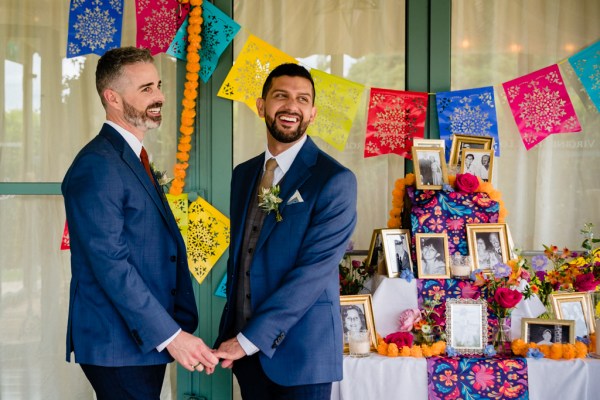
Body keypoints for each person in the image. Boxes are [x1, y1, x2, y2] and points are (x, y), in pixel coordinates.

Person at [61, 47, 219, 399]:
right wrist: (173, 336)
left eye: (158, 85)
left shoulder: (131, 158)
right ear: (112, 97)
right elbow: (111, 265)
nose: (160, 96)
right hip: (118, 344)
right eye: (146, 89)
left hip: (138, 343)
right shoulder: (97, 165)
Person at [213, 63, 357, 399]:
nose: (291, 106)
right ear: (262, 106)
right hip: (245, 354)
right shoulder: (244, 174)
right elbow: (244, 260)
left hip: (302, 356)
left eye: (302, 99)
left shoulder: (334, 180)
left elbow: (312, 274)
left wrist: (247, 341)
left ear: (313, 113)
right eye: (281, 96)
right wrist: (233, 335)